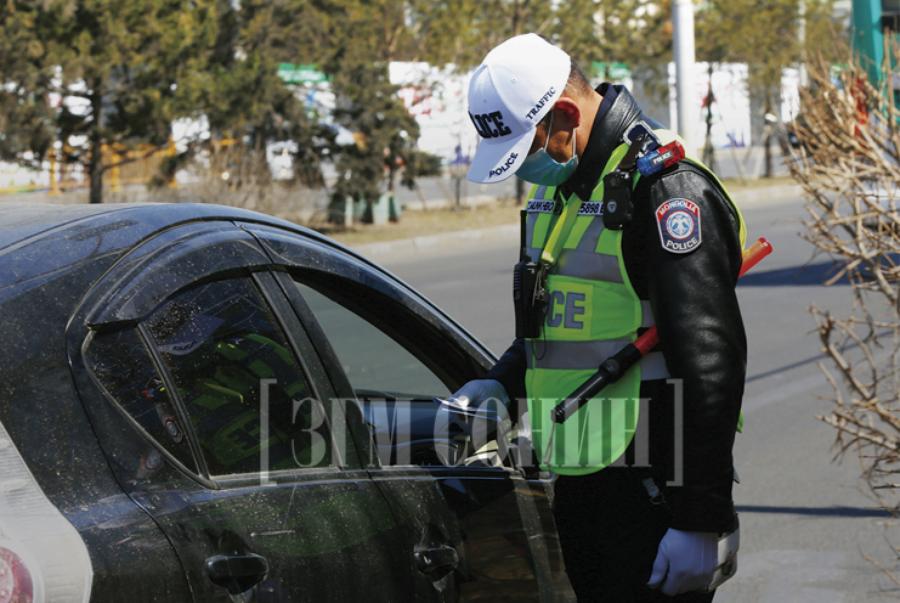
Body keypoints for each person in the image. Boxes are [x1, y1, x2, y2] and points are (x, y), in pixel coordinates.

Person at [451, 33, 747, 601]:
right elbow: (565, 322)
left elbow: (710, 362)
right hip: (586, 479)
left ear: (565, 114)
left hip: (655, 491)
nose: (528, 169)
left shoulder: (662, 188)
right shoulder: (569, 188)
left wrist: (698, 518)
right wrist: (500, 383)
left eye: (529, 146)